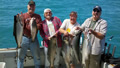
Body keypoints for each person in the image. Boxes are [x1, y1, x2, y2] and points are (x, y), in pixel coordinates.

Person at [17, 0, 42, 68]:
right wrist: (20, 19)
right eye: (30, 6)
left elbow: (40, 26)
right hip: (24, 38)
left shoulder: (38, 16)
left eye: (33, 6)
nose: (31, 7)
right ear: (27, 7)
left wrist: (33, 24)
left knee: (37, 57)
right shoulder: (23, 15)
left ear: (35, 7)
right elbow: (20, 27)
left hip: (34, 38)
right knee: (20, 57)